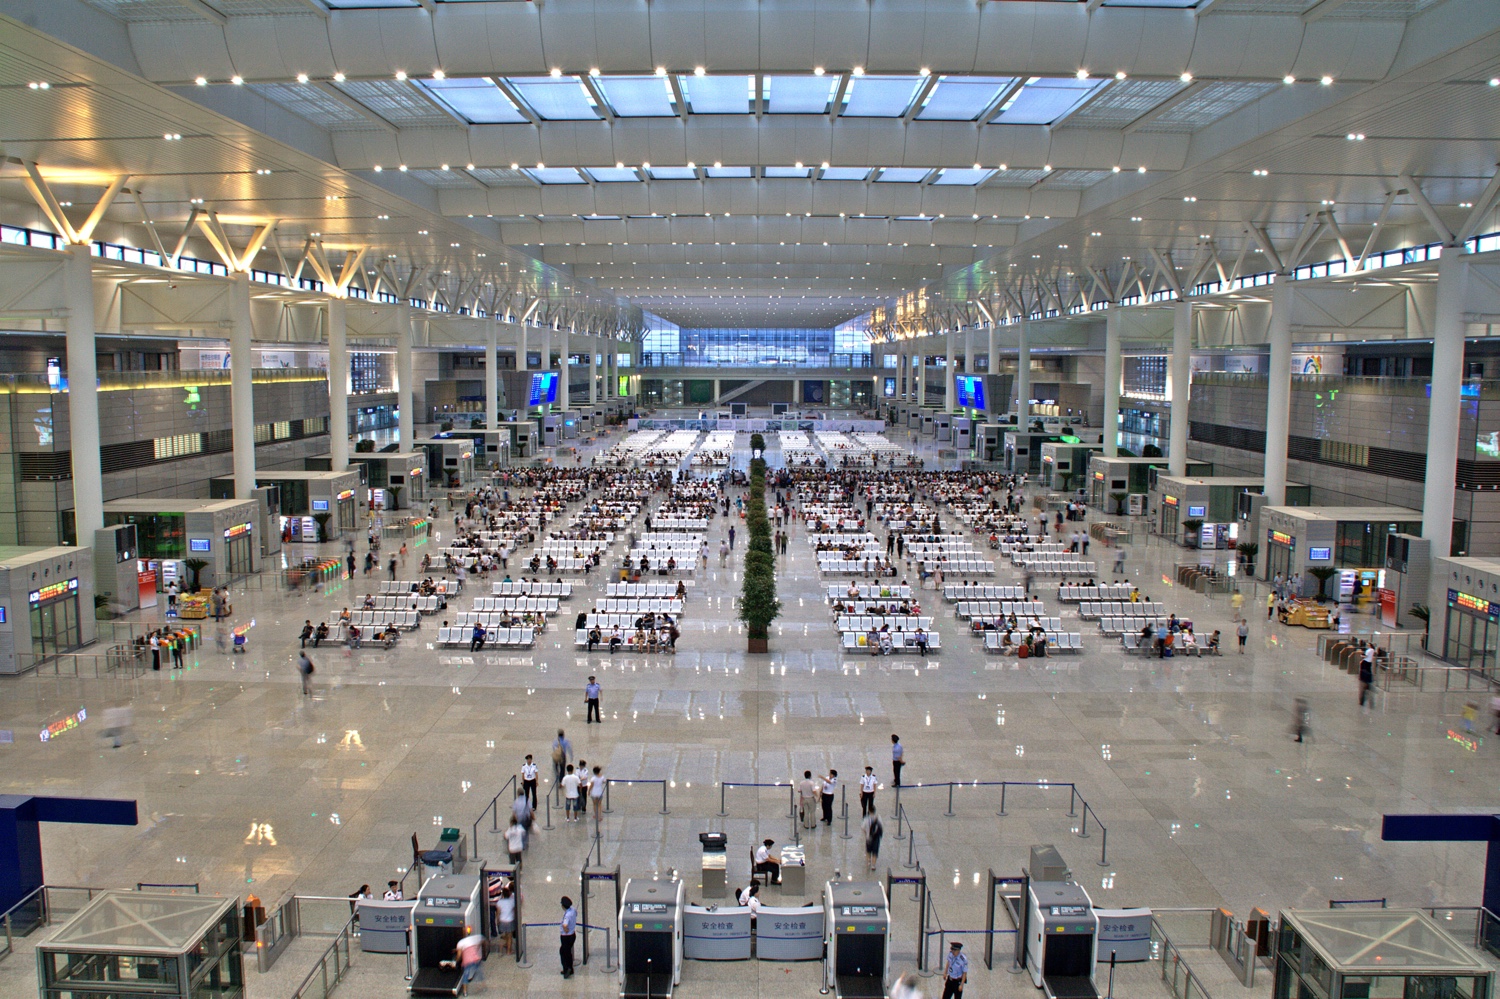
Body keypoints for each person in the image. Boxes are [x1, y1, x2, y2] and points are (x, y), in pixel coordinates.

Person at [494, 882, 517, 956]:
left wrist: (497, 920)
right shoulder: (512, 901)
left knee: (505, 934)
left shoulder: (500, 902)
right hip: (510, 920)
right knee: (510, 936)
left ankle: (504, 947)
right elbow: (514, 910)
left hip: (502, 921)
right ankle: (509, 951)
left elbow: (498, 913)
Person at [559, 897, 578, 978]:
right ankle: (570, 968)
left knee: (564, 953)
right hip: (572, 935)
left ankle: (567, 969)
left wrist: (566, 930)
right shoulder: (572, 910)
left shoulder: (567, 915)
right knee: (567, 952)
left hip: (566, 936)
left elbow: (565, 925)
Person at [1359, 646, 1376, 711]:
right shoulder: (1369, 667)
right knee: (1369, 693)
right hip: (1368, 680)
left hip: (1364, 680)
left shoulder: (1363, 667)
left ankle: (1362, 702)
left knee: (1363, 692)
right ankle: (1371, 704)